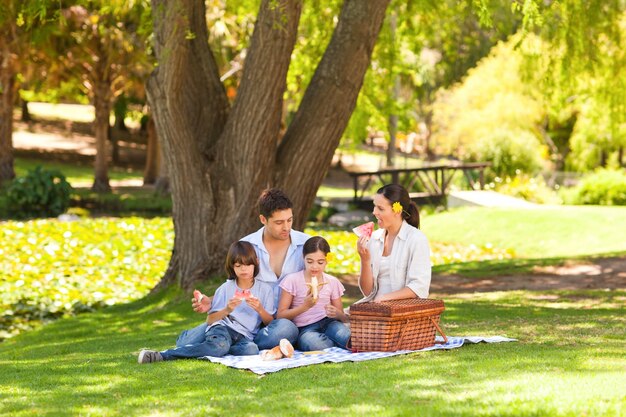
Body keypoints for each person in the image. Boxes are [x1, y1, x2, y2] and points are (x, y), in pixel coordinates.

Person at [175, 188, 309, 349]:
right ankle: (239, 342)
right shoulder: (247, 245)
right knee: (184, 343)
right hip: (246, 319)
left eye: (289, 220)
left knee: (286, 329)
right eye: (279, 222)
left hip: (279, 321)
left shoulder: (306, 244)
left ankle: (240, 344)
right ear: (263, 219)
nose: (286, 227)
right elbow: (234, 285)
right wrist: (210, 301)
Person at [138, 241, 280, 363]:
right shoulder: (225, 288)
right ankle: (164, 355)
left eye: (248, 265)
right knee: (219, 346)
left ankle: (218, 347)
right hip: (223, 328)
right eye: (238, 265)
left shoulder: (265, 290)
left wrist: (260, 309)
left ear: (256, 263)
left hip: (245, 336)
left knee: (251, 349)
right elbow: (210, 320)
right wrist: (227, 310)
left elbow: (270, 323)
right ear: (232, 267)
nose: (244, 269)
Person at [356, 184, 431, 303]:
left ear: (397, 211)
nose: (374, 212)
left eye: (380, 208)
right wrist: (364, 260)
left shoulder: (416, 239)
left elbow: (419, 287)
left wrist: (384, 298)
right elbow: (367, 292)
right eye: (374, 206)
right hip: (374, 308)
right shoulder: (374, 238)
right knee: (333, 320)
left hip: (402, 310)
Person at [277, 236, 351, 351]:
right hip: (305, 328)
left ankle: (336, 343)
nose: (314, 266)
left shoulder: (332, 282)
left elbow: (343, 318)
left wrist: (337, 313)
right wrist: (304, 307)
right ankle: (333, 344)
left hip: (329, 323)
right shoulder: (292, 280)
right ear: (303, 258)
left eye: (320, 262)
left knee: (348, 338)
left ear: (327, 260)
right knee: (315, 345)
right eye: (310, 261)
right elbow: (280, 315)